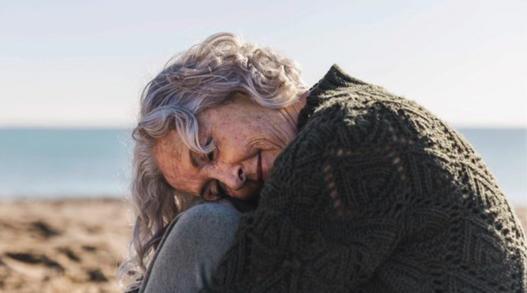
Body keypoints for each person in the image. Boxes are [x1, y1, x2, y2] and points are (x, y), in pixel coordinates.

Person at [118, 32, 527, 292]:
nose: (232, 179)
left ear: (232, 90)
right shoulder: (353, 113)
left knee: (206, 227)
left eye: (208, 149)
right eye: (214, 189)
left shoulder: (345, 137)